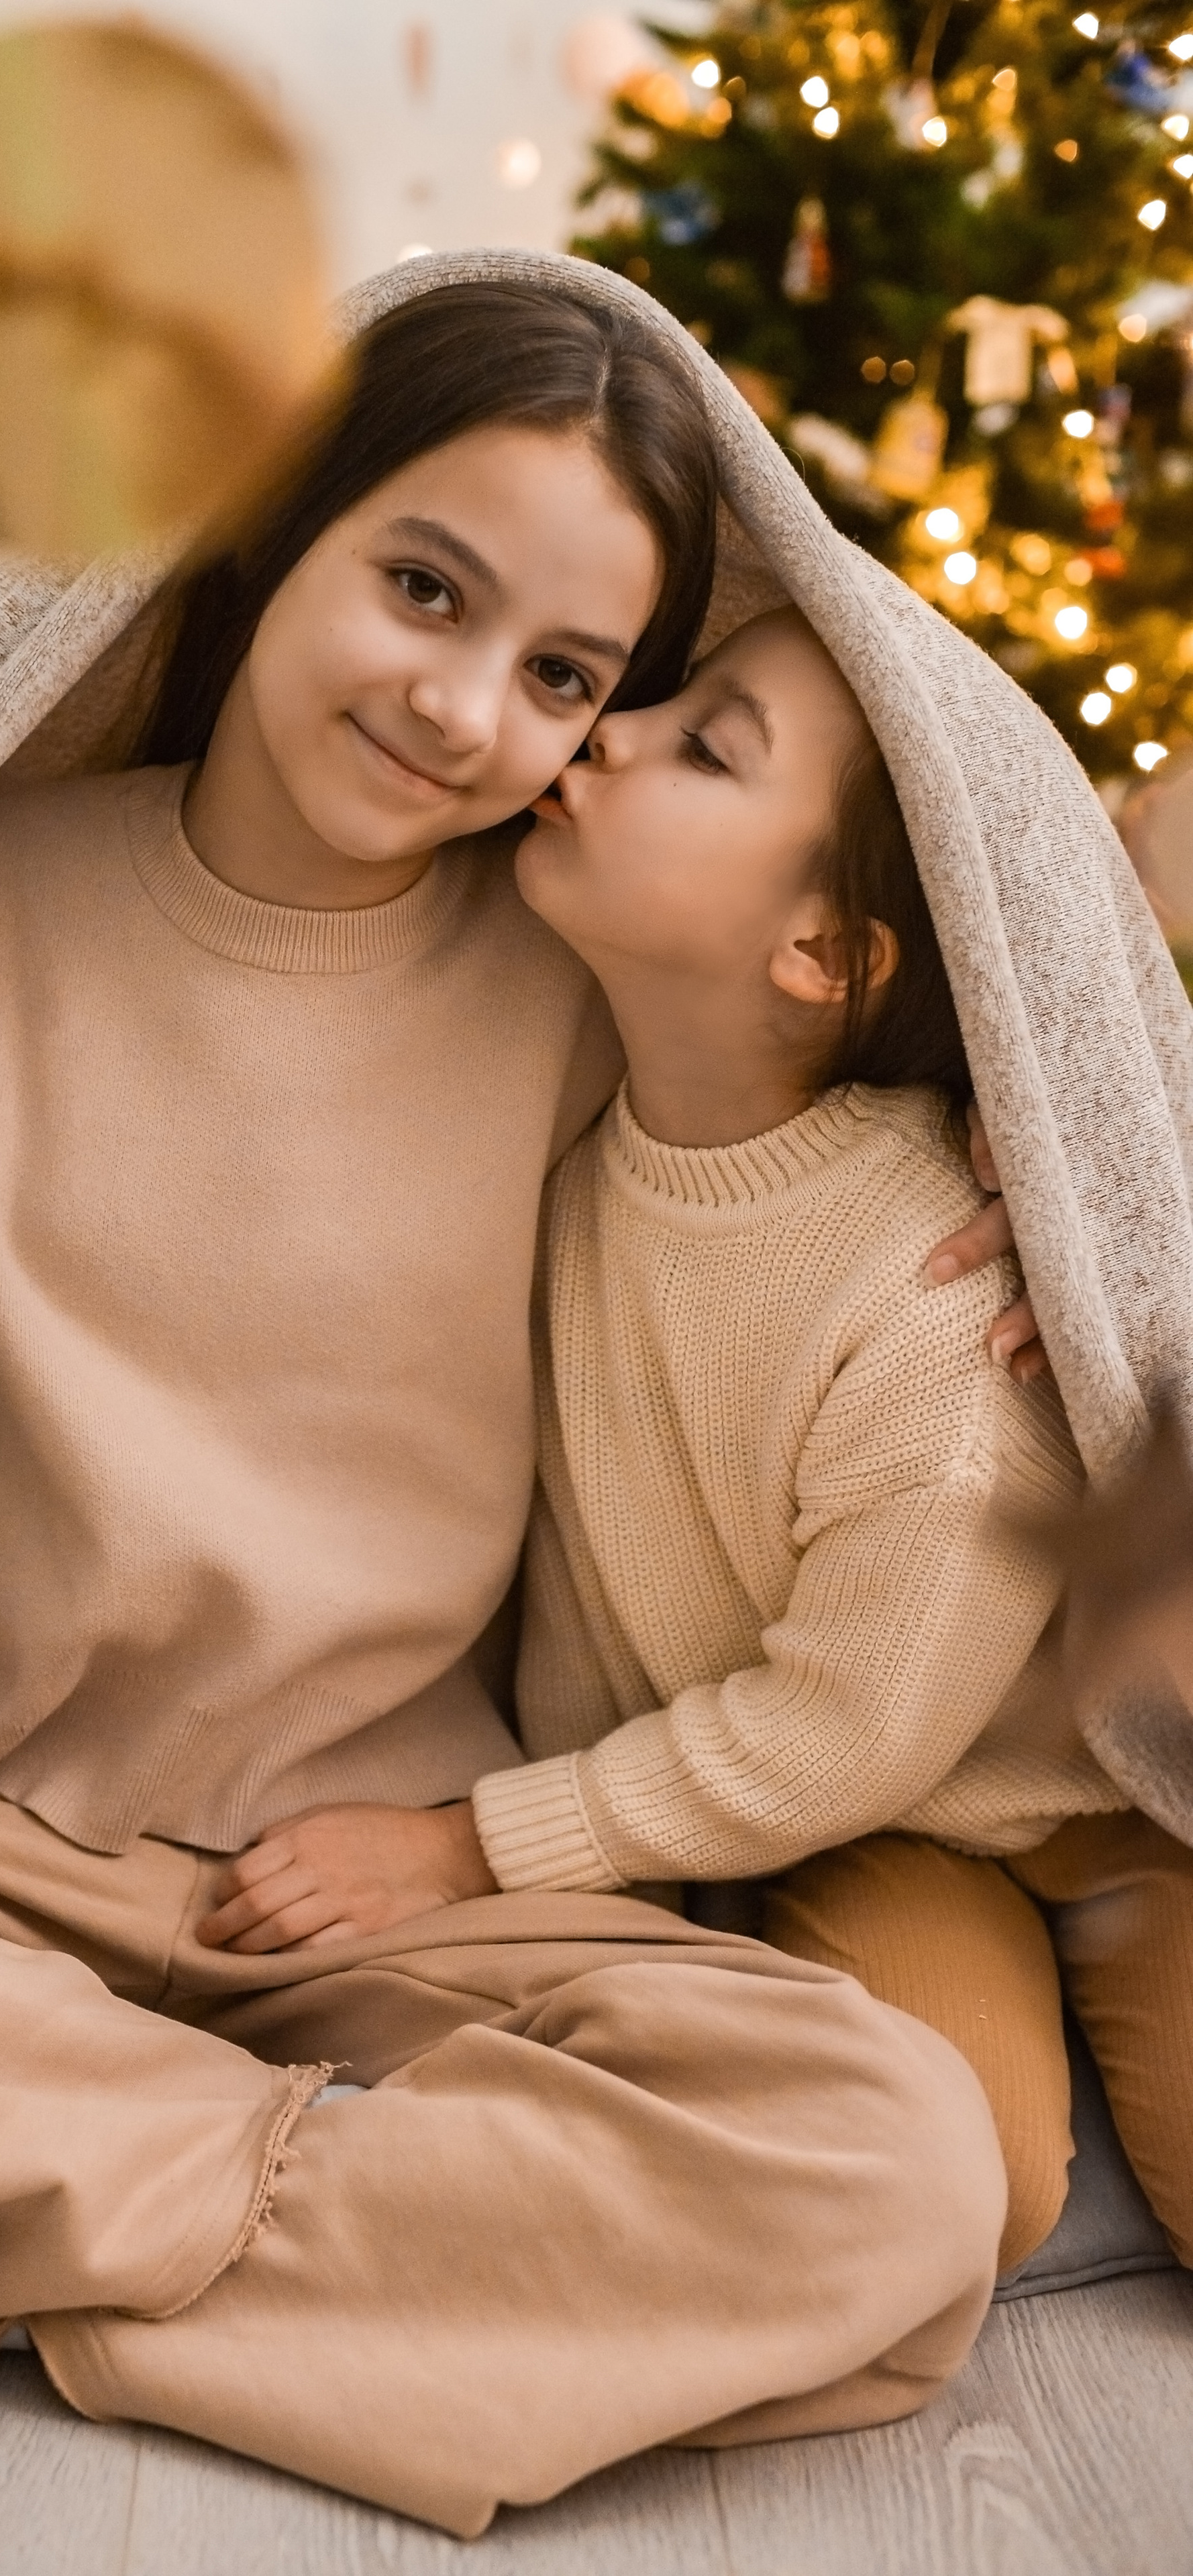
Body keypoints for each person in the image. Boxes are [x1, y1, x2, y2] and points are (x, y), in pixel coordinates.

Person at [0, 274, 1039, 2537]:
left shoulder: (587, 968)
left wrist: (1033, 1172)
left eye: (566, 677)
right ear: (269, 527)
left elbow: (889, 1023)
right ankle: (261, 2220)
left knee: (900, 2171)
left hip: (397, 1883)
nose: (462, 709)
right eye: (425, 589)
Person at [219, 605, 1190, 2280]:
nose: (602, 728)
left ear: (823, 954)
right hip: (859, 1820)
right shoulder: (551, 1112)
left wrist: (465, 1848)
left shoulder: (932, 1303)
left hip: (1065, 1794)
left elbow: (840, 1730)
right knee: (952, 2173)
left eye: (703, 747)